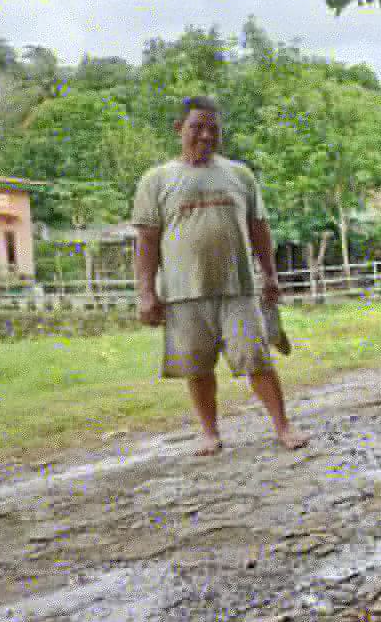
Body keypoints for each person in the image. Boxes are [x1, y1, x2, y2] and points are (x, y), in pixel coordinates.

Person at [131, 95, 307, 456]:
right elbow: (147, 241)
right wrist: (146, 293)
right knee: (197, 367)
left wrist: (270, 275)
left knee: (257, 359)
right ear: (179, 128)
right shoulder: (156, 180)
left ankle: (283, 427)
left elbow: (259, 228)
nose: (206, 135)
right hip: (183, 293)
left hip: (238, 288)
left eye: (214, 128)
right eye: (197, 127)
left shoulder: (240, 175)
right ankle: (209, 433)